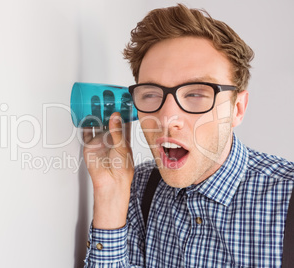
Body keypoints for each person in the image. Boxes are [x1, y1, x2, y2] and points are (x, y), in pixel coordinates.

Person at [82, 4, 294, 267]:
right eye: (150, 94)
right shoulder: (136, 190)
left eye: (196, 94)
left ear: (237, 109)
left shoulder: (287, 197)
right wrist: (110, 195)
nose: (167, 118)